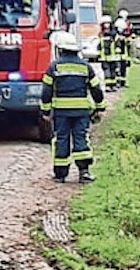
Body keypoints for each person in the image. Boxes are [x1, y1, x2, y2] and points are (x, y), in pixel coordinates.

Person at [42, 30, 105, 183]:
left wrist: (45, 111)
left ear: (60, 49)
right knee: (81, 137)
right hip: (81, 111)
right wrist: (99, 107)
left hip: (61, 112)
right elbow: (96, 89)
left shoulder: (54, 67)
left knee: (61, 139)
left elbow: (46, 91)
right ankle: (84, 172)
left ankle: (60, 174)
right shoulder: (85, 66)